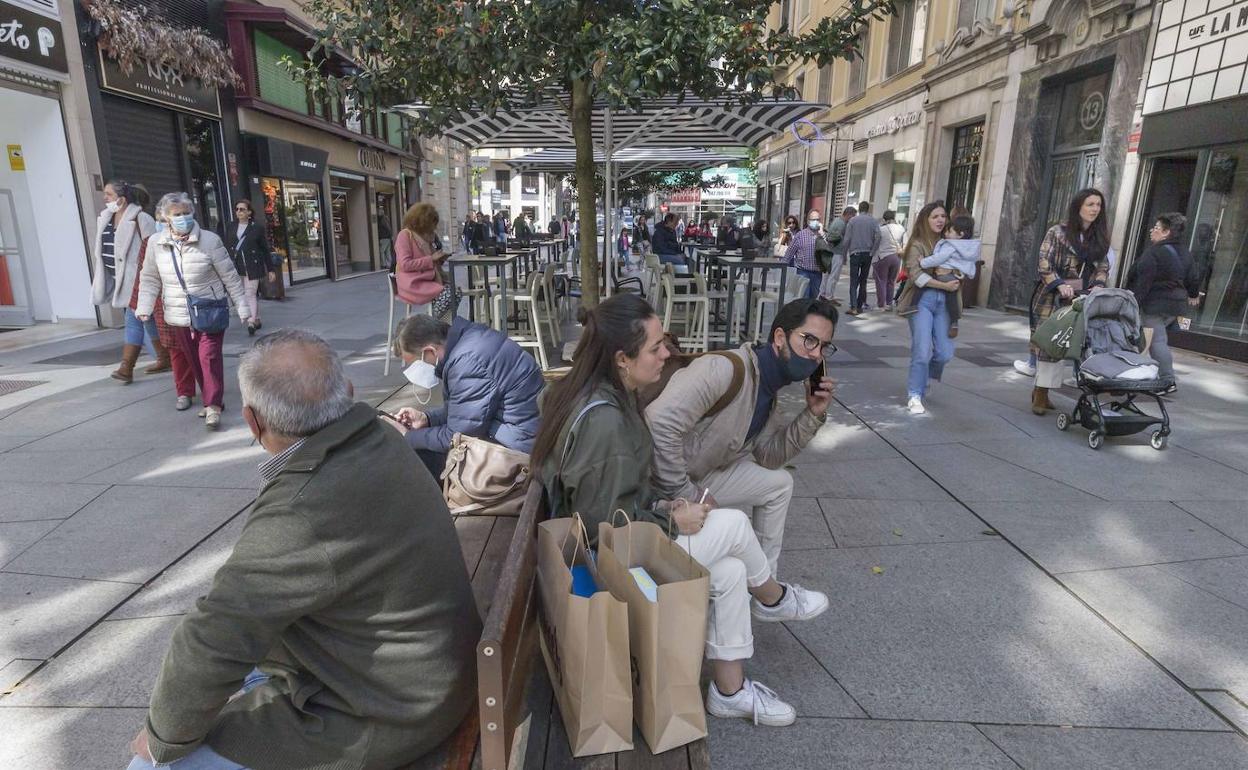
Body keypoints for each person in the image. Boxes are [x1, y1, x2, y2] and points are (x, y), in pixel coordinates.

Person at [125, 330, 480, 770]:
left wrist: (162, 741)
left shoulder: (301, 508)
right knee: (240, 669)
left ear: (253, 423)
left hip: (385, 711)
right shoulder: (382, 437)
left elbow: (214, 637)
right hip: (430, 674)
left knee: (152, 766)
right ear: (346, 393)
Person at [532, 294, 830, 729]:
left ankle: (729, 691)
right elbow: (602, 531)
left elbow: (614, 502)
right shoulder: (606, 423)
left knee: (729, 572)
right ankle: (772, 596)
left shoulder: (605, 397)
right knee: (731, 524)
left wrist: (664, 506)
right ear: (621, 359)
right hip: (604, 571)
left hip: (618, 544)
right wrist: (674, 517)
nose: (668, 354)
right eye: (656, 348)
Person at [646, 295, 837, 576]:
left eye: (823, 347)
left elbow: (770, 457)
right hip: (657, 484)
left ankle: (764, 581)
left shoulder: (769, 394)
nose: (816, 354)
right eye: (809, 340)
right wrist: (688, 494)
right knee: (734, 533)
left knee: (780, 482)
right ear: (780, 337)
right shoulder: (723, 369)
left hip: (699, 475)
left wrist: (812, 414)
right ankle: (767, 592)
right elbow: (659, 424)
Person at [137, 193, 250, 430]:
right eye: (177, 215)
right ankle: (212, 397)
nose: (183, 218)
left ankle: (213, 406)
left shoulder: (210, 240)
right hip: (178, 314)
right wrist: (144, 307)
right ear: (166, 218)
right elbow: (149, 279)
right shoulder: (156, 244)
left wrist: (242, 306)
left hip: (210, 309)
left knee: (208, 357)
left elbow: (229, 276)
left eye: (186, 213)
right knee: (194, 360)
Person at [383, 314, 545, 477]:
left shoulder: (466, 363)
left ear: (430, 351)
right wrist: (426, 418)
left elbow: (457, 437)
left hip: (517, 453)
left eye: (415, 363)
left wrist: (407, 436)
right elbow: (466, 413)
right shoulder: (469, 339)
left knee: (412, 457)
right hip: (522, 435)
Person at [1027, 189, 1111, 415]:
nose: (1095, 209)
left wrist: (1099, 284)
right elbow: (1044, 261)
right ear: (1078, 207)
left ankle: (1043, 389)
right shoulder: (1058, 232)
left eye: (1098, 205)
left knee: (1069, 346)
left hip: (1082, 297)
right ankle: (1041, 392)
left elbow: (1103, 265)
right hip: (1052, 297)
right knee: (1049, 344)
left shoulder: (1100, 236)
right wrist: (1058, 283)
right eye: (1090, 204)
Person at [91, 180, 168, 384]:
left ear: (122, 199)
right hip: (118, 280)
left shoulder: (140, 218)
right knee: (146, 319)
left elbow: (154, 249)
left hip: (140, 280)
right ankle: (164, 357)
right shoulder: (105, 219)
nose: (104, 198)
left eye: (108, 194)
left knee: (133, 320)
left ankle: (127, 367)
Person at [893, 201, 960, 415]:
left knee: (944, 353)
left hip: (946, 303)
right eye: (935, 216)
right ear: (925, 219)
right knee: (921, 351)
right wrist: (942, 282)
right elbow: (916, 276)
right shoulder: (917, 244)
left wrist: (956, 274)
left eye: (943, 216)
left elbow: (963, 268)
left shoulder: (950, 242)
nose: (940, 220)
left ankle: (924, 378)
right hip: (921, 302)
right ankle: (915, 394)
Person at [1127, 212, 1200, 394]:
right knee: (1153, 339)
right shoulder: (1185, 253)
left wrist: (1133, 302)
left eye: (1157, 228)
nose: (1152, 231)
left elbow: (1143, 280)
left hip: (1154, 305)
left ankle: (1167, 380)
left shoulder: (1154, 252)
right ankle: (1147, 374)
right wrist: (1193, 294)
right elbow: (1193, 278)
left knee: (1157, 341)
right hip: (1175, 306)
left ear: (1166, 232)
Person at [920, 214, 981, 338]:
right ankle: (953, 321)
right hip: (955, 275)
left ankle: (953, 321)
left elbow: (938, 258)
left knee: (938, 290)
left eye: (950, 231)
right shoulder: (967, 246)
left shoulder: (951, 245)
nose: (946, 233)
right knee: (952, 297)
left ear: (960, 234)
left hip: (945, 275)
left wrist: (923, 262)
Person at [395, 202, 455, 322]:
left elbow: (431, 262)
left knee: (454, 291)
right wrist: (431, 259)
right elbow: (405, 264)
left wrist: (440, 259)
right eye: (431, 224)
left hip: (426, 279)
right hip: (413, 282)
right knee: (450, 293)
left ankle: (442, 324)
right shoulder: (405, 236)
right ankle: (437, 324)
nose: (433, 228)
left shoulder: (425, 238)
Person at [228, 200, 276, 337]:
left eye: (242, 209)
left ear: (249, 212)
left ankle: (251, 321)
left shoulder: (256, 228)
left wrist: (271, 269)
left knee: (250, 293)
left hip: (253, 265)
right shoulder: (231, 226)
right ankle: (257, 317)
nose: (239, 212)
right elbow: (226, 247)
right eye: (237, 209)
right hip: (237, 266)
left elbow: (265, 250)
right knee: (242, 294)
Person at [842, 202, 881, 316]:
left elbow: (847, 239)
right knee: (863, 281)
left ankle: (853, 307)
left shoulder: (853, 221)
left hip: (855, 253)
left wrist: (844, 255)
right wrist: (873, 251)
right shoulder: (873, 221)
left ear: (859, 209)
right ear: (868, 209)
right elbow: (878, 236)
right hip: (867, 254)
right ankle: (860, 306)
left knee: (853, 281)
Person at [784, 210, 824, 299]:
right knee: (804, 296)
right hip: (803, 270)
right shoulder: (800, 235)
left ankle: (809, 312)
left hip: (817, 272)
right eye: (813, 219)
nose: (815, 221)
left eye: (817, 219)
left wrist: (822, 234)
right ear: (808, 221)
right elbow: (790, 251)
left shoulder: (823, 234)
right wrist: (783, 265)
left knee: (813, 297)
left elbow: (830, 249)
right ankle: (803, 312)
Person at [820, 207, 855, 304]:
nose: (852, 219)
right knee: (833, 276)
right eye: (853, 216)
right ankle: (829, 297)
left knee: (826, 275)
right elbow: (838, 238)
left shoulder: (836, 221)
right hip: (837, 252)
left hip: (829, 252)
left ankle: (823, 294)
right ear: (849, 214)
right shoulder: (842, 224)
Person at [873, 210, 906, 311]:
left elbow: (876, 243)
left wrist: (872, 254)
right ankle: (889, 304)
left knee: (881, 281)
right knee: (891, 281)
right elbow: (905, 243)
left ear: (884, 219)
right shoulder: (901, 228)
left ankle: (881, 305)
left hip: (883, 256)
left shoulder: (881, 229)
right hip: (896, 257)